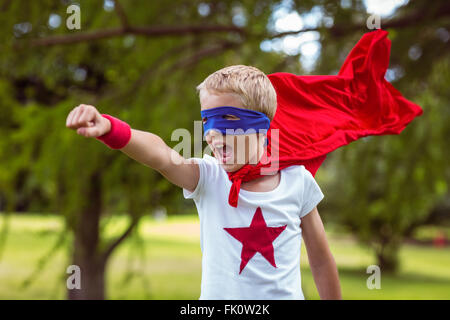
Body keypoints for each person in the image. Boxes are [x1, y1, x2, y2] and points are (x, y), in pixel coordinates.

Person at [66, 29, 421, 300]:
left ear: (261, 128)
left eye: (226, 124)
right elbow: (161, 155)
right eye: (207, 124)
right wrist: (111, 128)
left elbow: (321, 257)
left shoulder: (297, 181)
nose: (212, 136)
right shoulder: (208, 178)